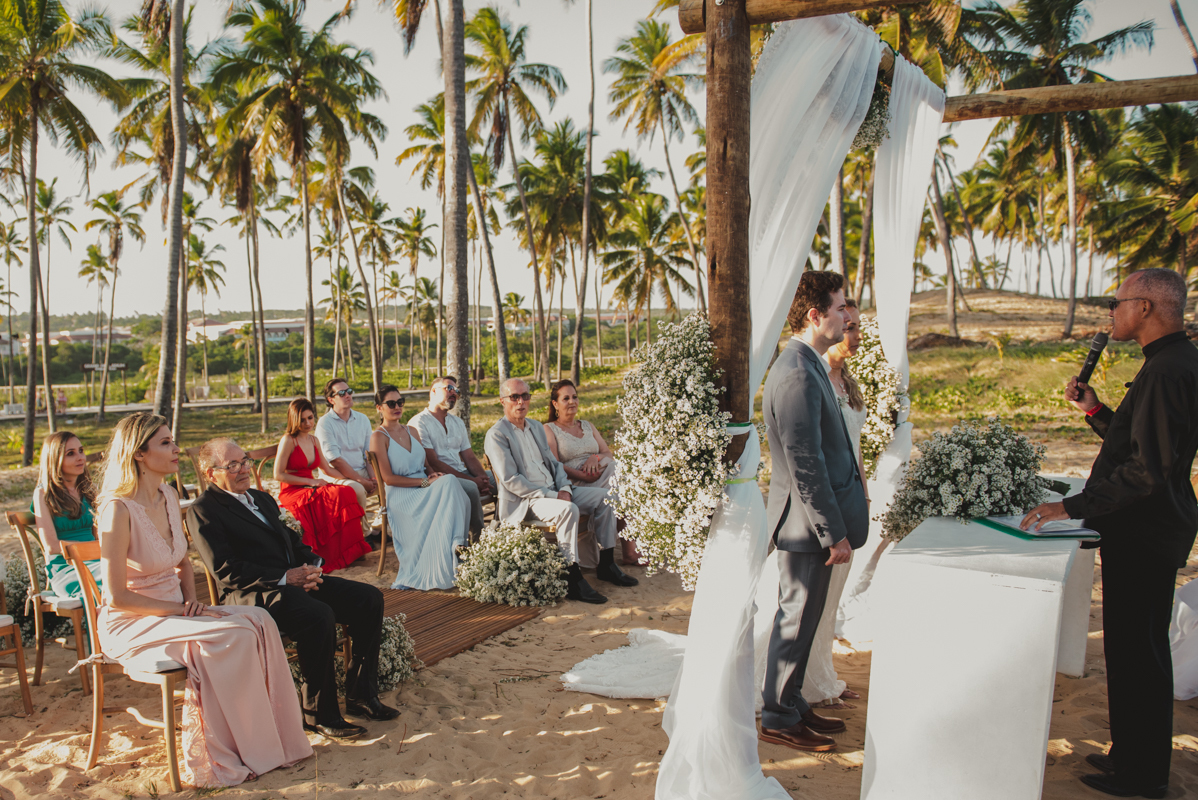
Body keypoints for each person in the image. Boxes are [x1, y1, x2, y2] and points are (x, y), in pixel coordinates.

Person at [1022, 268, 1198, 799]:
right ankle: (1131, 762)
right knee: (1129, 654)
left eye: (1116, 304)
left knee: (1140, 657)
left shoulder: (1168, 371)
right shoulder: (1169, 363)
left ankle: (1144, 778)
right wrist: (1097, 411)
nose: (1111, 314)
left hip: (1146, 532)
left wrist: (1068, 506)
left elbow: (1148, 471)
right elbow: (1142, 442)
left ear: (1145, 308)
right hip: (1144, 528)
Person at [95, 414, 311, 786]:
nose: (177, 449)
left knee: (259, 620)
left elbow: (182, 562)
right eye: (166, 443)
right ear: (140, 454)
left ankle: (275, 740)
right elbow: (116, 596)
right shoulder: (117, 509)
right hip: (132, 619)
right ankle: (235, 750)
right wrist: (181, 610)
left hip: (179, 609)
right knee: (234, 636)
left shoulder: (168, 495)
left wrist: (191, 601)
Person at [191, 436, 398, 741]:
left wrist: (312, 566)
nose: (243, 469)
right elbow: (227, 571)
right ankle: (319, 714)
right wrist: (287, 577)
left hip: (295, 581)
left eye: (244, 460)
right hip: (252, 595)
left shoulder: (260, 498)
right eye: (231, 465)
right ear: (212, 473)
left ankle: (360, 696)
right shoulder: (204, 510)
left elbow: (292, 541)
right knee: (318, 615)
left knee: (368, 598)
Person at [759, 271, 868, 753]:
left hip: (814, 523)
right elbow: (806, 462)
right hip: (805, 527)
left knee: (807, 619)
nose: (848, 316)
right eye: (842, 307)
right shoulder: (798, 371)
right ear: (815, 314)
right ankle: (777, 716)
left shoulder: (812, 363)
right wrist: (832, 533)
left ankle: (794, 702)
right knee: (795, 619)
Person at [484, 378, 637, 605]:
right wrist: (555, 496)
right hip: (527, 500)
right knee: (568, 509)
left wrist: (564, 487)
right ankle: (572, 577)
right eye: (514, 397)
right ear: (502, 401)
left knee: (607, 498)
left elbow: (555, 465)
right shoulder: (497, 435)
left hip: (556, 490)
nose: (520, 402)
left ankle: (606, 564)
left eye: (525, 396)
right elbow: (509, 480)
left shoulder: (535, 427)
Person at [802, 298, 867, 709]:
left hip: (851, 494)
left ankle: (823, 677)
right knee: (814, 598)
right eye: (849, 325)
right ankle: (805, 684)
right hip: (827, 500)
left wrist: (862, 492)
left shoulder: (848, 382)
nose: (854, 333)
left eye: (858, 326)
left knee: (834, 597)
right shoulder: (816, 378)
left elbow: (852, 445)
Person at [368, 385, 471, 591]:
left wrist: (431, 474)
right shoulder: (378, 437)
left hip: (423, 487)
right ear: (380, 408)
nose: (397, 407)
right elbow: (388, 478)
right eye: (391, 403)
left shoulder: (412, 431)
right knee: (450, 482)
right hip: (401, 495)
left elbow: (424, 464)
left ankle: (455, 547)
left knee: (449, 482)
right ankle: (457, 548)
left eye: (400, 402)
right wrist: (425, 482)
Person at [274, 398, 370, 572]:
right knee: (334, 497)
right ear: (294, 420)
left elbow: (327, 469)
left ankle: (351, 550)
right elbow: (278, 474)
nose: (307, 423)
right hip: (293, 489)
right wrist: (311, 482)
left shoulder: (313, 440)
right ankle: (329, 555)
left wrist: (354, 480)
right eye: (302, 420)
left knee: (346, 492)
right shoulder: (288, 440)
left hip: (311, 487)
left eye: (310, 418)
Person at [408, 376, 493, 539]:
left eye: (457, 391)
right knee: (471, 488)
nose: (454, 393)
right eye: (449, 388)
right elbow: (433, 462)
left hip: (463, 472)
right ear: (433, 391)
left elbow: (469, 456)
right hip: (440, 479)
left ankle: (507, 530)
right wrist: (474, 482)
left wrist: (482, 478)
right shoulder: (419, 422)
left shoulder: (457, 422)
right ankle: (478, 539)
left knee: (499, 479)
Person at [31, 431, 101, 598]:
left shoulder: (89, 491)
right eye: (71, 453)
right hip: (67, 568)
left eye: (81, 451)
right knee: (115, 578)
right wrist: (92, 549)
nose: (80, 457)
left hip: (97, 560)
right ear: (54, 460)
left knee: (134, 573)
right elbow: (52, 546)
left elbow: (100, 535)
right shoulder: (43, 493)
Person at [313, 378, 375, 526]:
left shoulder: (362, 419)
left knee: (390, 482)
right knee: (358, 489)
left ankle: (388, 528)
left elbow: (369, 454)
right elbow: (336, 461)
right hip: (336, 474)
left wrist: (373, 477)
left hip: (362, 470)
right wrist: (361, 481)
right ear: (331, 399)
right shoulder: (325, 423)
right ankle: (363, 534)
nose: (347, 395)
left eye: (349, 391)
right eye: (341, 393)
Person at [543, 379, 615, 490]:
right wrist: (581, 475)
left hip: (603, 472)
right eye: (566, 398)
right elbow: (554, 464)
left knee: (619, 470)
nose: (572, 401)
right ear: (555, 404)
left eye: (574, 397)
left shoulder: (588, 425)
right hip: (577, 482)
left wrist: (595, 457)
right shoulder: (549, 429)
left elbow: (607, 454)